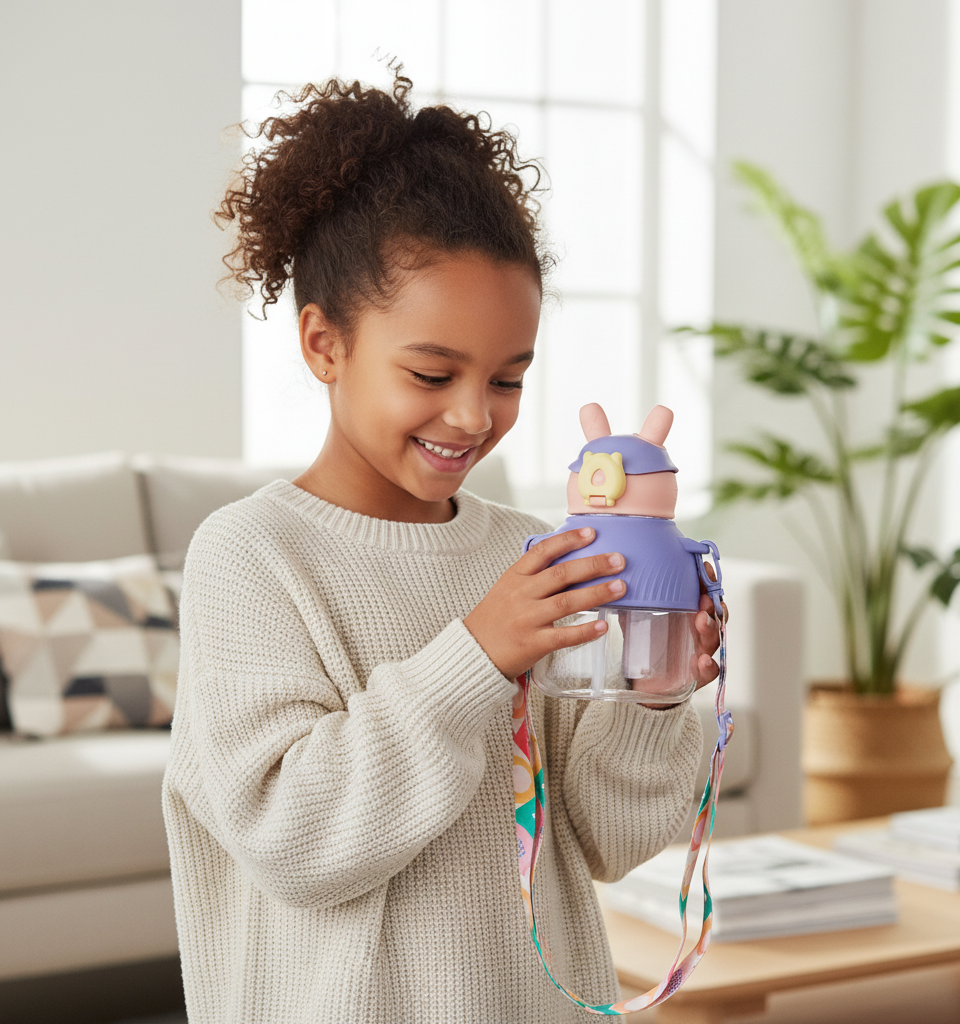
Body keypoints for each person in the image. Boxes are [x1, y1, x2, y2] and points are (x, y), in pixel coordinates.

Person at [162, 74, 719, 1024]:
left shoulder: (530, 551)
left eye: (509, 378)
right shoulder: (251, 557)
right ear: (323, 343)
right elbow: (293, 842)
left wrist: (652, 694)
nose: (473, 416)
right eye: (432, 372)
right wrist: (478, 654)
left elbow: (606, 838)